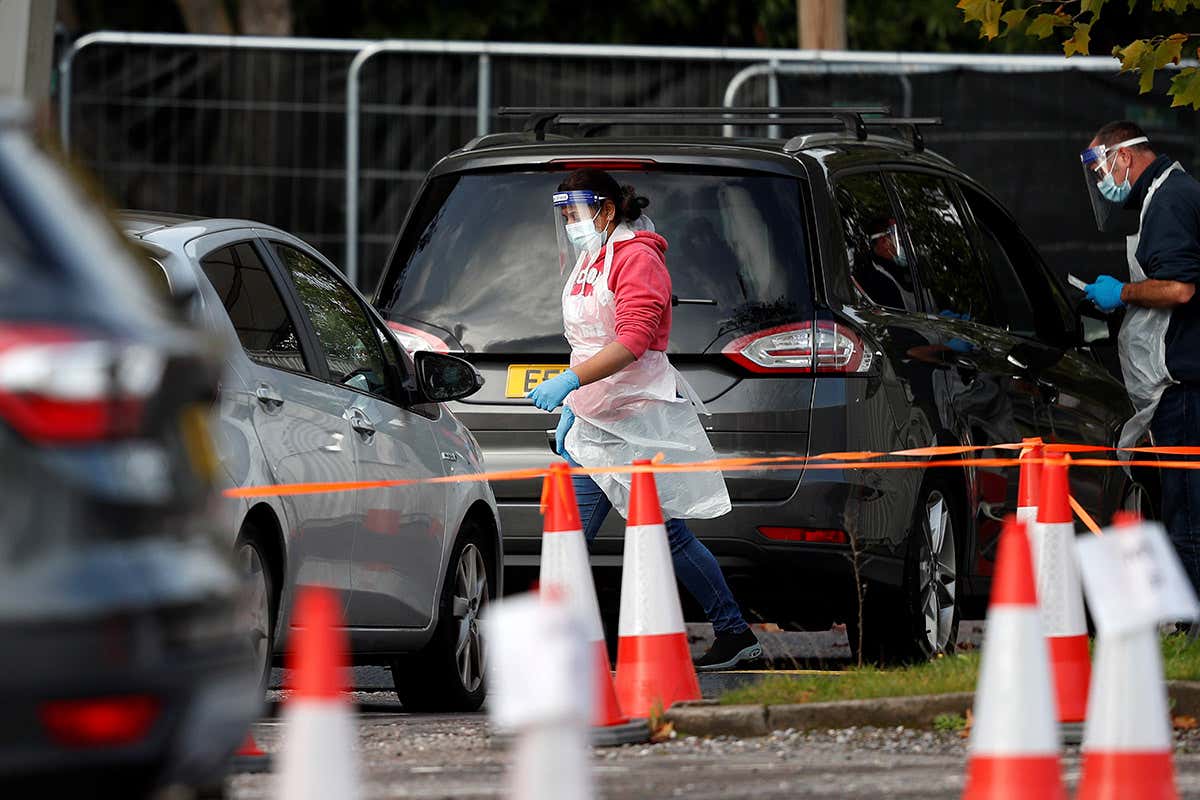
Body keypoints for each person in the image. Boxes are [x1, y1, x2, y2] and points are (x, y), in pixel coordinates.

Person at [526, 168, 762, 670]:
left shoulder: (637, 259)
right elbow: (587, 342)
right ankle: (555, 646)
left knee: (664, 534)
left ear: (607, 210)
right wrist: (576, 404)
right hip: (595, 418)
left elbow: (632, 341)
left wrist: (571, 385)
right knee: (568, 535)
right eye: (563, 214)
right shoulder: (590, 259)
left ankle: (734, 633)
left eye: (576, 212)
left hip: (638, 420)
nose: (569, 222)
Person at [1080, 120, 1200, 592]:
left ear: (1124, 157)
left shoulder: (1169, 199)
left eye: (1102, 167)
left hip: (1184, 389)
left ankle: (1191, 630)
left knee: (1187, 514)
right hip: (1183, 384)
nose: (1102, 181)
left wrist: (1123, 293)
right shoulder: (1173, 191)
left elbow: (1179, 288)